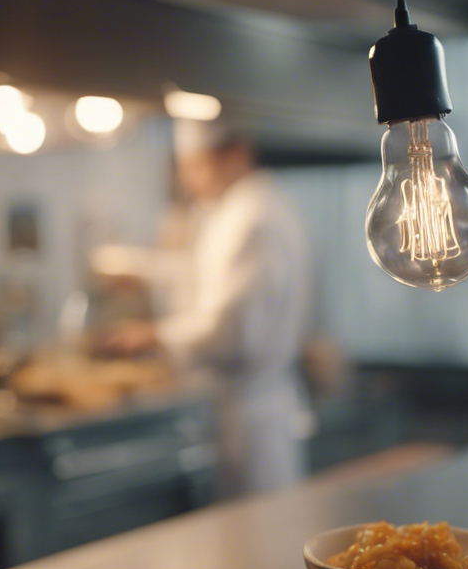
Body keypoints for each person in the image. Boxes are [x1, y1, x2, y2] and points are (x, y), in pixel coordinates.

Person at [103, 119, 314, 497]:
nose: (191, 182)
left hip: (253, 418)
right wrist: (143, 272)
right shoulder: (247, 207)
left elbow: (230, 329)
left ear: (237, 154)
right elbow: (208, 276)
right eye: (184, 169)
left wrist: (152, 334)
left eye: (198, 167)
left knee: (256, 537)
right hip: (247, 410)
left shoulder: (251, 218)